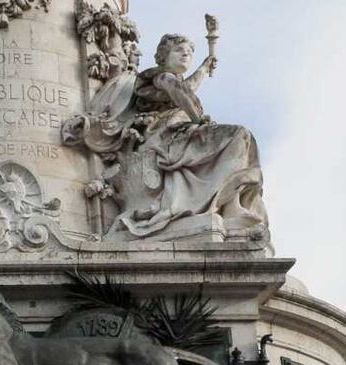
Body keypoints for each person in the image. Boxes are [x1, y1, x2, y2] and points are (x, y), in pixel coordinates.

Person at [61, 33, 268, 241]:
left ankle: (231, 204)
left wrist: (204, 69)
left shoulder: (174, 81)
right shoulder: (158, 76)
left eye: (189, 52)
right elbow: (179, 92)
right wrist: (198, 118)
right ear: (163, 56)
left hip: (180, 132)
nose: (186, 55)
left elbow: (185, 88)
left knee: (242, 140)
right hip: (166, 136)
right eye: (179, 50)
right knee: (239, 136)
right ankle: (228, 205)